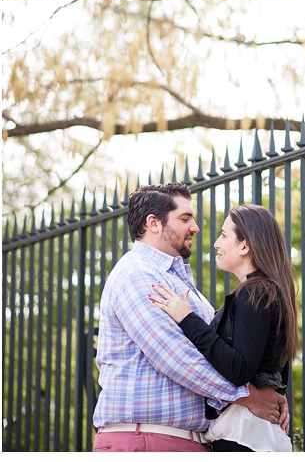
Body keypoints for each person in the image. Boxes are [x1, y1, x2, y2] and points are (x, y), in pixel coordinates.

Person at [93, 183, 288, 453]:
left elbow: (223, 352)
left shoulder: (177, 282)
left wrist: (268, 389)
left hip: (184, 441)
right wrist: (251, 397)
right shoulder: (137, 275)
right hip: (146, 440)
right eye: (185, 218)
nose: (196, 227)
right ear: (154, 223)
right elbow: (176, 357)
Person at [150, 204, 298, 452]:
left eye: (224, 235)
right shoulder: (266, 292)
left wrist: (187, 319)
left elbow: (239, 369)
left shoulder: (256, 292)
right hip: (253, 433)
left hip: (245, 435)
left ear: (244, 245)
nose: (217, 243)